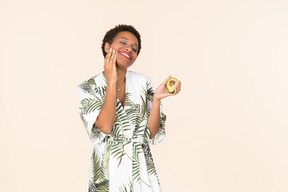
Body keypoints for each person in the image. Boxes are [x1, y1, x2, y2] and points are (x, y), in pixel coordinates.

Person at [78, 24, 181, 192]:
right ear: (107, 46)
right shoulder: (88, 87)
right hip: (108, 168)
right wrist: (112, 80)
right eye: (123, 43)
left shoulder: (143, 83)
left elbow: (151, 133)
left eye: (135, 48)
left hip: (139, 165)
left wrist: (156, 99)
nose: (129, 49)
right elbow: (105, 127)